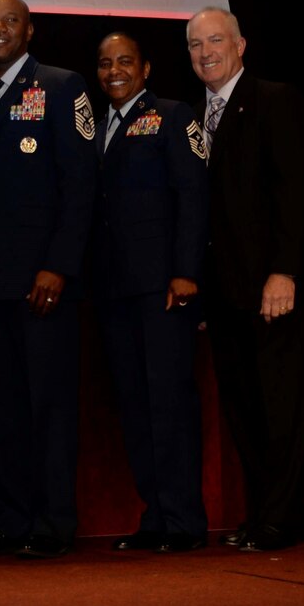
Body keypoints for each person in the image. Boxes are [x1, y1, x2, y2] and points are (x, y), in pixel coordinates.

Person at [0, 0, 96, 559]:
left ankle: (52, 523)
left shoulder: (63, 87)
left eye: (10, 21)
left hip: (43, 285)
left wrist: (59, 266)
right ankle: (11, 519)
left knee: (49, 408)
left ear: (29, 31)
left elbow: (81, 185)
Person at [186, 7, 304, 551]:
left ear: (241, 45)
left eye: (216, 40)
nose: (205, 52)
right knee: (244, 408)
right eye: (195, 44)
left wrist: (284, 271)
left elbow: (296, 193)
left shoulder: (274, 100)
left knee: (280, 407)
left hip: (270, 289)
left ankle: (283, 518)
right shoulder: (195, 114)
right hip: (224, 291)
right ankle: (265, 512)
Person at [92, 32, 209, 553]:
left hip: (164, 289)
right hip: (114, 292)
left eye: (124, 62)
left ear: (146, 69)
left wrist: (186, 272)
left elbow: (194, 195)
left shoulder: (174, 114)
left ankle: (183, 521)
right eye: (104, 64)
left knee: (169, 406)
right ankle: (156, 516)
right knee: (135, 407)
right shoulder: (93, 127)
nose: (114, 70)